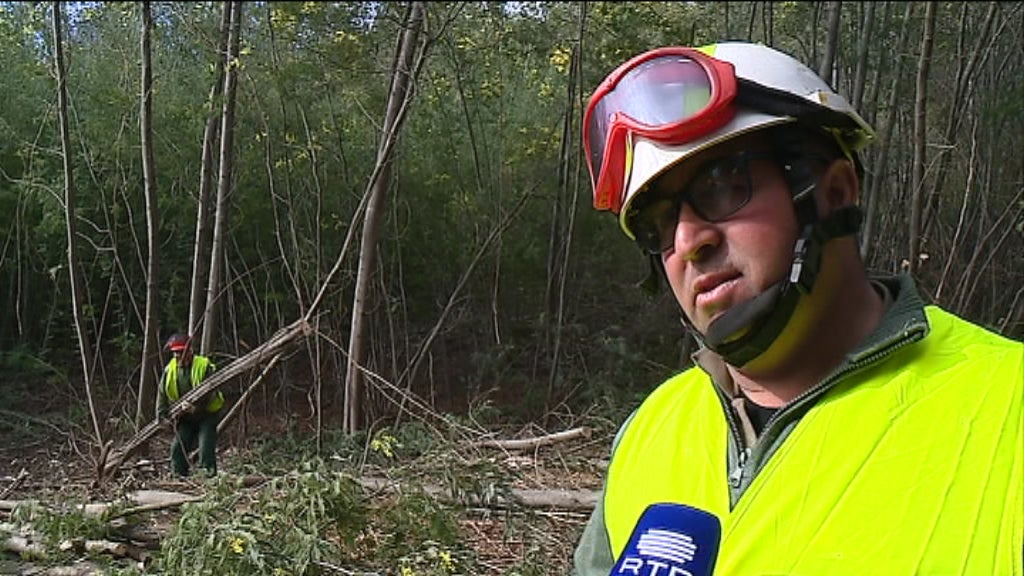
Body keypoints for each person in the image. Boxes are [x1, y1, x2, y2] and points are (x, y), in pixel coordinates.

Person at [573, 41, 1022, 575]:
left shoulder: (1007, 406)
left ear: (833, 192)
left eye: (721, 185)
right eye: (660, 223)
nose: (688, 240)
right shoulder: (651, 430)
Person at [157, 333, 225, 477]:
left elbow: (211, 393)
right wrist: (162, 416)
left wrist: (197, 408)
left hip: (207, 415)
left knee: (205, 447)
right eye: (175, 353)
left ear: (190, 351)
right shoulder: (170, 370)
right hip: (186, 417)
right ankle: (178, 477)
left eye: (181, 352)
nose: (178, 356)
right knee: (177, 447)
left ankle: (209, 478)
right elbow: (162, 394)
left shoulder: (204, 366)